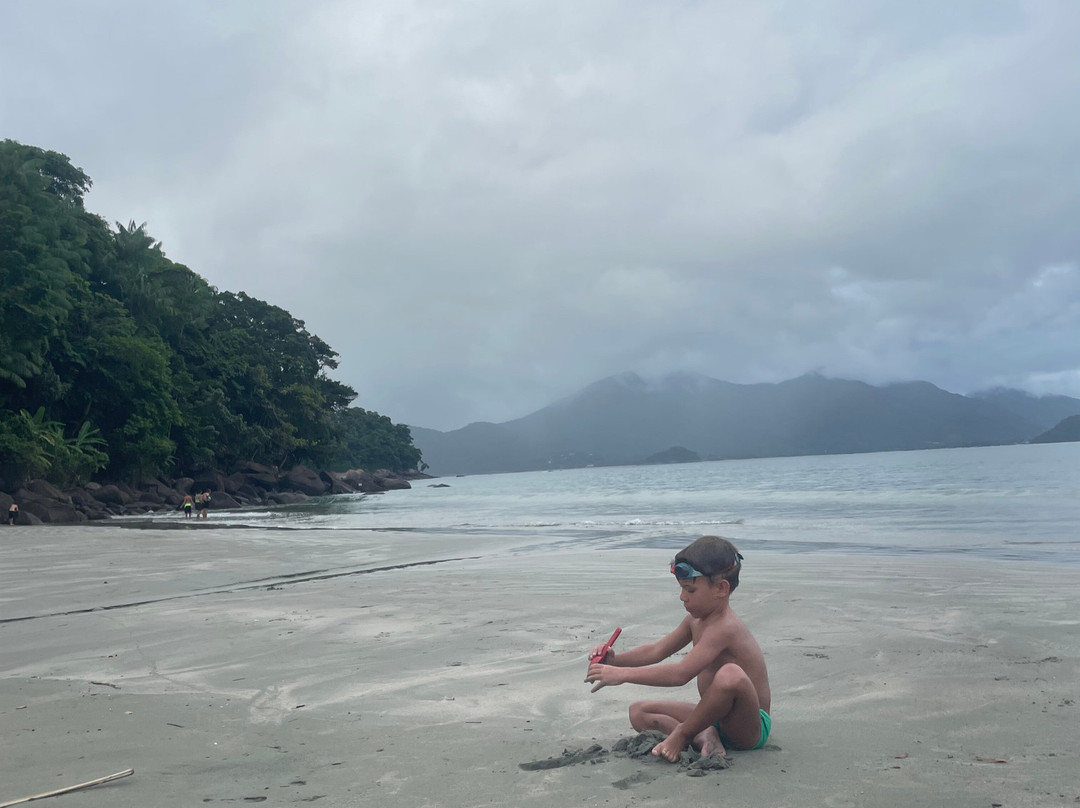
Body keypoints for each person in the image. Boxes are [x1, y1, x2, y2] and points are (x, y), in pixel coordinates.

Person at [585, 535, 771, 761]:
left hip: (747, 728)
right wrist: (615, 661)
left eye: (690, 590)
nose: (682, 597)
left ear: (721, 589)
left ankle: (683, 734)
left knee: (730, 674)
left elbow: (681, 674)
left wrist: (622, 675)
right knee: (638, 712)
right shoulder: (695, 621)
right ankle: (704, 735)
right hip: (716, 717)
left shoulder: (726, 627)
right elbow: (656, 650)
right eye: (682, 589)